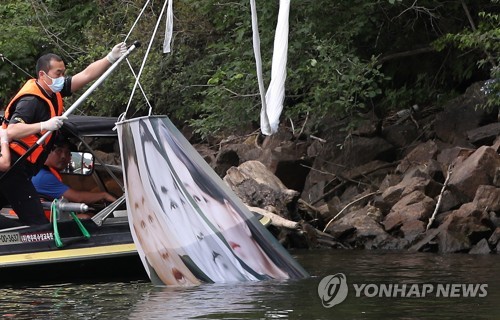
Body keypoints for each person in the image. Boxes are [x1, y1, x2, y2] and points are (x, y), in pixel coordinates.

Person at [0, 42, 127, 225]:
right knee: (37, 221)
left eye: (63, 73)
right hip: (14, 168)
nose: (62, 77)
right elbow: (11, 131)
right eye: (58, 74)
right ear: (43, 75)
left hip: (22, 170)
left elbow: (86, 75)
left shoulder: (53, 90)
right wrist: (44, 124)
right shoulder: (31, 101)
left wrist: (110, 58)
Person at [31, 135, 117, 220]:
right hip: (43, 224)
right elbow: (78, 198)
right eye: (59, 151)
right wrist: (104, 195)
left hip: (45, 220)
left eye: (68, 153)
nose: (64, 156)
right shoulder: (43, 176)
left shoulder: (42, 172)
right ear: (46, 152)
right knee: (87, 218)